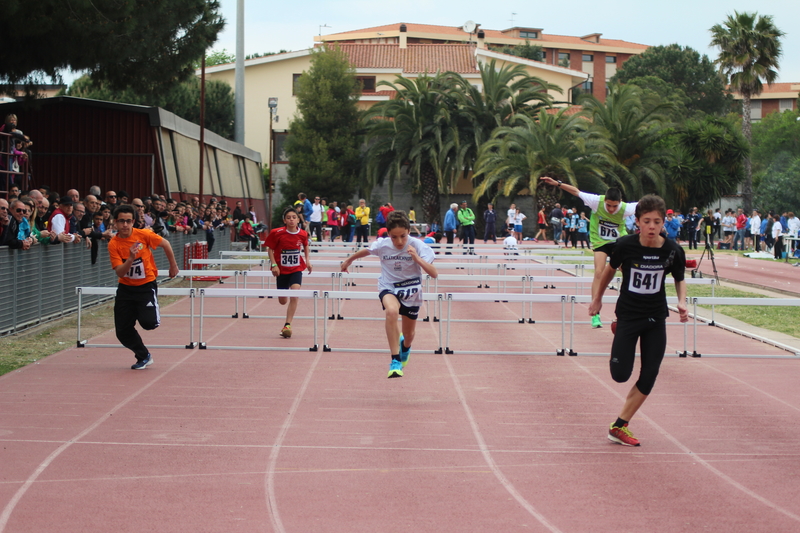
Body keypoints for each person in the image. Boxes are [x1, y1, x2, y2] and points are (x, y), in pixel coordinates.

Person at [589, 194, 688, 446]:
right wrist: (597, 299)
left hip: (655, 317)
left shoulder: (672, 250)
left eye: (657, 221)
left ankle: (619, 425)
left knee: (650, 373)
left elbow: (679, 277)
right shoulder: (625, 245)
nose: (652, 227)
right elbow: (609, 271)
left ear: (664, 222)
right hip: (629, 315)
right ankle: (619, 331)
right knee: (620, 375)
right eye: (647, 221)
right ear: (637, 222)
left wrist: (682, 302)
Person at [340, 211, 438, 378]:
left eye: (403, 236)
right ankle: (395, 360)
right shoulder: (383, 244)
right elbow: (366, 250)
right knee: (391, 312)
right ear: (388, 233)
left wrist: (417, 258)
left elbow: (434, 273)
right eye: (394, 237)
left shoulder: (419, 245)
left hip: (412, 291)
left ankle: (405, 347)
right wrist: (349, 260)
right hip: (389, 287)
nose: (399, 241)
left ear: (409, 231)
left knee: (409, 335)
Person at [540, 176, 638, 329]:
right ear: (605, 200)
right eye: (609, 205)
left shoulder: (627, 208)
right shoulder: (595, 201)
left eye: (615, 206)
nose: (612, 209)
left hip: (619, 242)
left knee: (627, 271)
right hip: (600, 241)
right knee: (599, 272)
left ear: (620, 202)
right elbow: (576, 191)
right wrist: (558, 184)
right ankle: (595, 312)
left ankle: (627, 309)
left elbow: (648, 205)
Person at [108, 205, 179, 369]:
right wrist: (131, 258)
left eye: (128, 221)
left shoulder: (144, 235)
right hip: (125, 288)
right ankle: (143, 355)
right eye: (121, 221)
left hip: (146, 285)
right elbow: (120, 272)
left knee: (149, 323)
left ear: (133, 221)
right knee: (122, 330)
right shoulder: (114, 244)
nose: (125, 225)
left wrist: (173, 266)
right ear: (115, 223)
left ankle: (148, 309)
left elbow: (166, 244)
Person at [265, 207, 312, 338]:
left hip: (296, 269)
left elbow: (306, 245)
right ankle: (286, 320)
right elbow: (270, 249)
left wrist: (308, 261)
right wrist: (274, 264)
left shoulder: (302, 233)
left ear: (298, 219)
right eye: (288, 218)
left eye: (294, 217)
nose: (291, 220)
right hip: (281, 270)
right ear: (284, 220)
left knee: (295, 294)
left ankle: (287, 324)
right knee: (282, 300)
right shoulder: (277, 232)